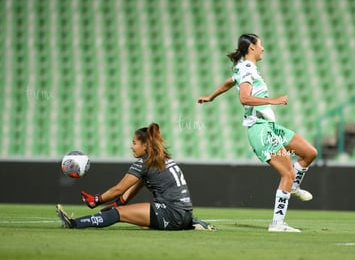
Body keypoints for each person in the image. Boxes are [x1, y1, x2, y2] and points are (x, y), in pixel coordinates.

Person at [197, 33, 317, 232]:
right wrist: (273, 100)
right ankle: (277, 224)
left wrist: (211, 96)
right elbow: (244, 98)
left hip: (271, 127)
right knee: (287, 172)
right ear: (251, 47)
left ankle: (293, 187)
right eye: (260, 45)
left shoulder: (243, 68)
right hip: (260, 129)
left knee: (309, 152)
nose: (263, 49)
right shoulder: (247, 69)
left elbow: (229, 82)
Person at [57, 122, 215, 231]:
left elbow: (119, 189)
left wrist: (96, 200)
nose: (131, 147)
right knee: (143, 224)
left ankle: (75, 223)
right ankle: (192, 223)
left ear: (145, 145)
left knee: (119, 214)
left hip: (171, 213)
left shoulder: (144, 163)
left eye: (134, 143)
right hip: (185, 214)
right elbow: (136, 186)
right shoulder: (161, 159)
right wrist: (119, 203)